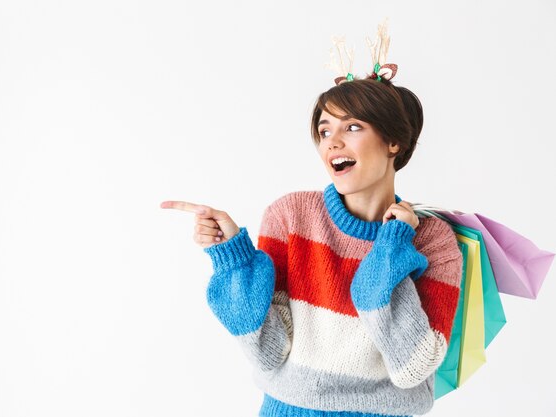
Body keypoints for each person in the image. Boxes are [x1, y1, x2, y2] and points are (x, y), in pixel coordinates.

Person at [161, 24, 463, 417]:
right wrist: (233, 258)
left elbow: (414, 370)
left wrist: (391, 248)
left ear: (394, 143)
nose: (332, 142)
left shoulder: (432, 240)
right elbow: (267, 352)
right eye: (324, 130)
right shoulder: (291, 217)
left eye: (352, 127)